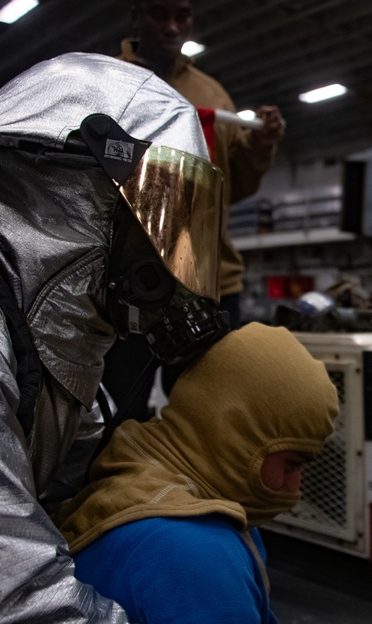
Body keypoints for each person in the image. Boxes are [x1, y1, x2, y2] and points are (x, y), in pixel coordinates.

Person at [0, 52, 228, 622]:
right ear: (72, 196)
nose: (167, 255)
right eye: (156, 217)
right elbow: (12, 602)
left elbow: (85, 464)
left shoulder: (35, 332)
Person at [54, 322, 338, 624]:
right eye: (291, 465)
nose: (296, 487)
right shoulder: (200, 556)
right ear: (236, 438)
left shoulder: (126, 476)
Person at [104, 0, 287, 422]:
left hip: (208, 279)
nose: (172, 26)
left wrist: (260, 147)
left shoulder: (211, 94)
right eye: (158, 14)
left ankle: (192, 489)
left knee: (207, 412)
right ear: (136, 16)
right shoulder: (109, 80)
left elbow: (231, 187)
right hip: (126, 281)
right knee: (118, 412)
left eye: (182, 16)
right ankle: (117, 487)